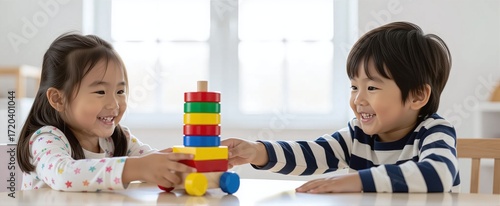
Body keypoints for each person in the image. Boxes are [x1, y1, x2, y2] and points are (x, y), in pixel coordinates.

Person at [221, 21, 460, 193]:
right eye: (354, 87)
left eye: (372, 88)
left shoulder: (434, 131)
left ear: (417, 95)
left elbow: (439, 174)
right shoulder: (357, 136)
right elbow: (311, 154)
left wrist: (356, 181)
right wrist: (257, 151)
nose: (358, 100)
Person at [16, 33, 196, 191]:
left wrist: (209, 155)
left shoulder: (118, 139)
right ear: (58, 99)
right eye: (100, 92)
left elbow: (156, 163)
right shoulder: (46, 139)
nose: (114, 104)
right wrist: (135, 168)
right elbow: (64, 175)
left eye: (120, 92)